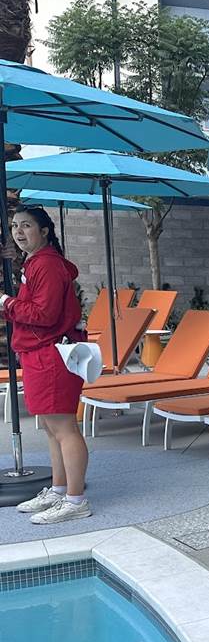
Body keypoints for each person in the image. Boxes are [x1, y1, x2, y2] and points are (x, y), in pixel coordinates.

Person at [1, 205, 91, 523]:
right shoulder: (36, 262)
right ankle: (59, 489)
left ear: (44, 231)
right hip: (40, 352)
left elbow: (44, 314)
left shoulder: (47, 265)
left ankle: (75, 500)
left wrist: (6, 302)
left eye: (26, 225)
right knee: (52, 429)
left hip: (51, 354)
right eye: (15, 226)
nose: (18, 231)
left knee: (64, 428)